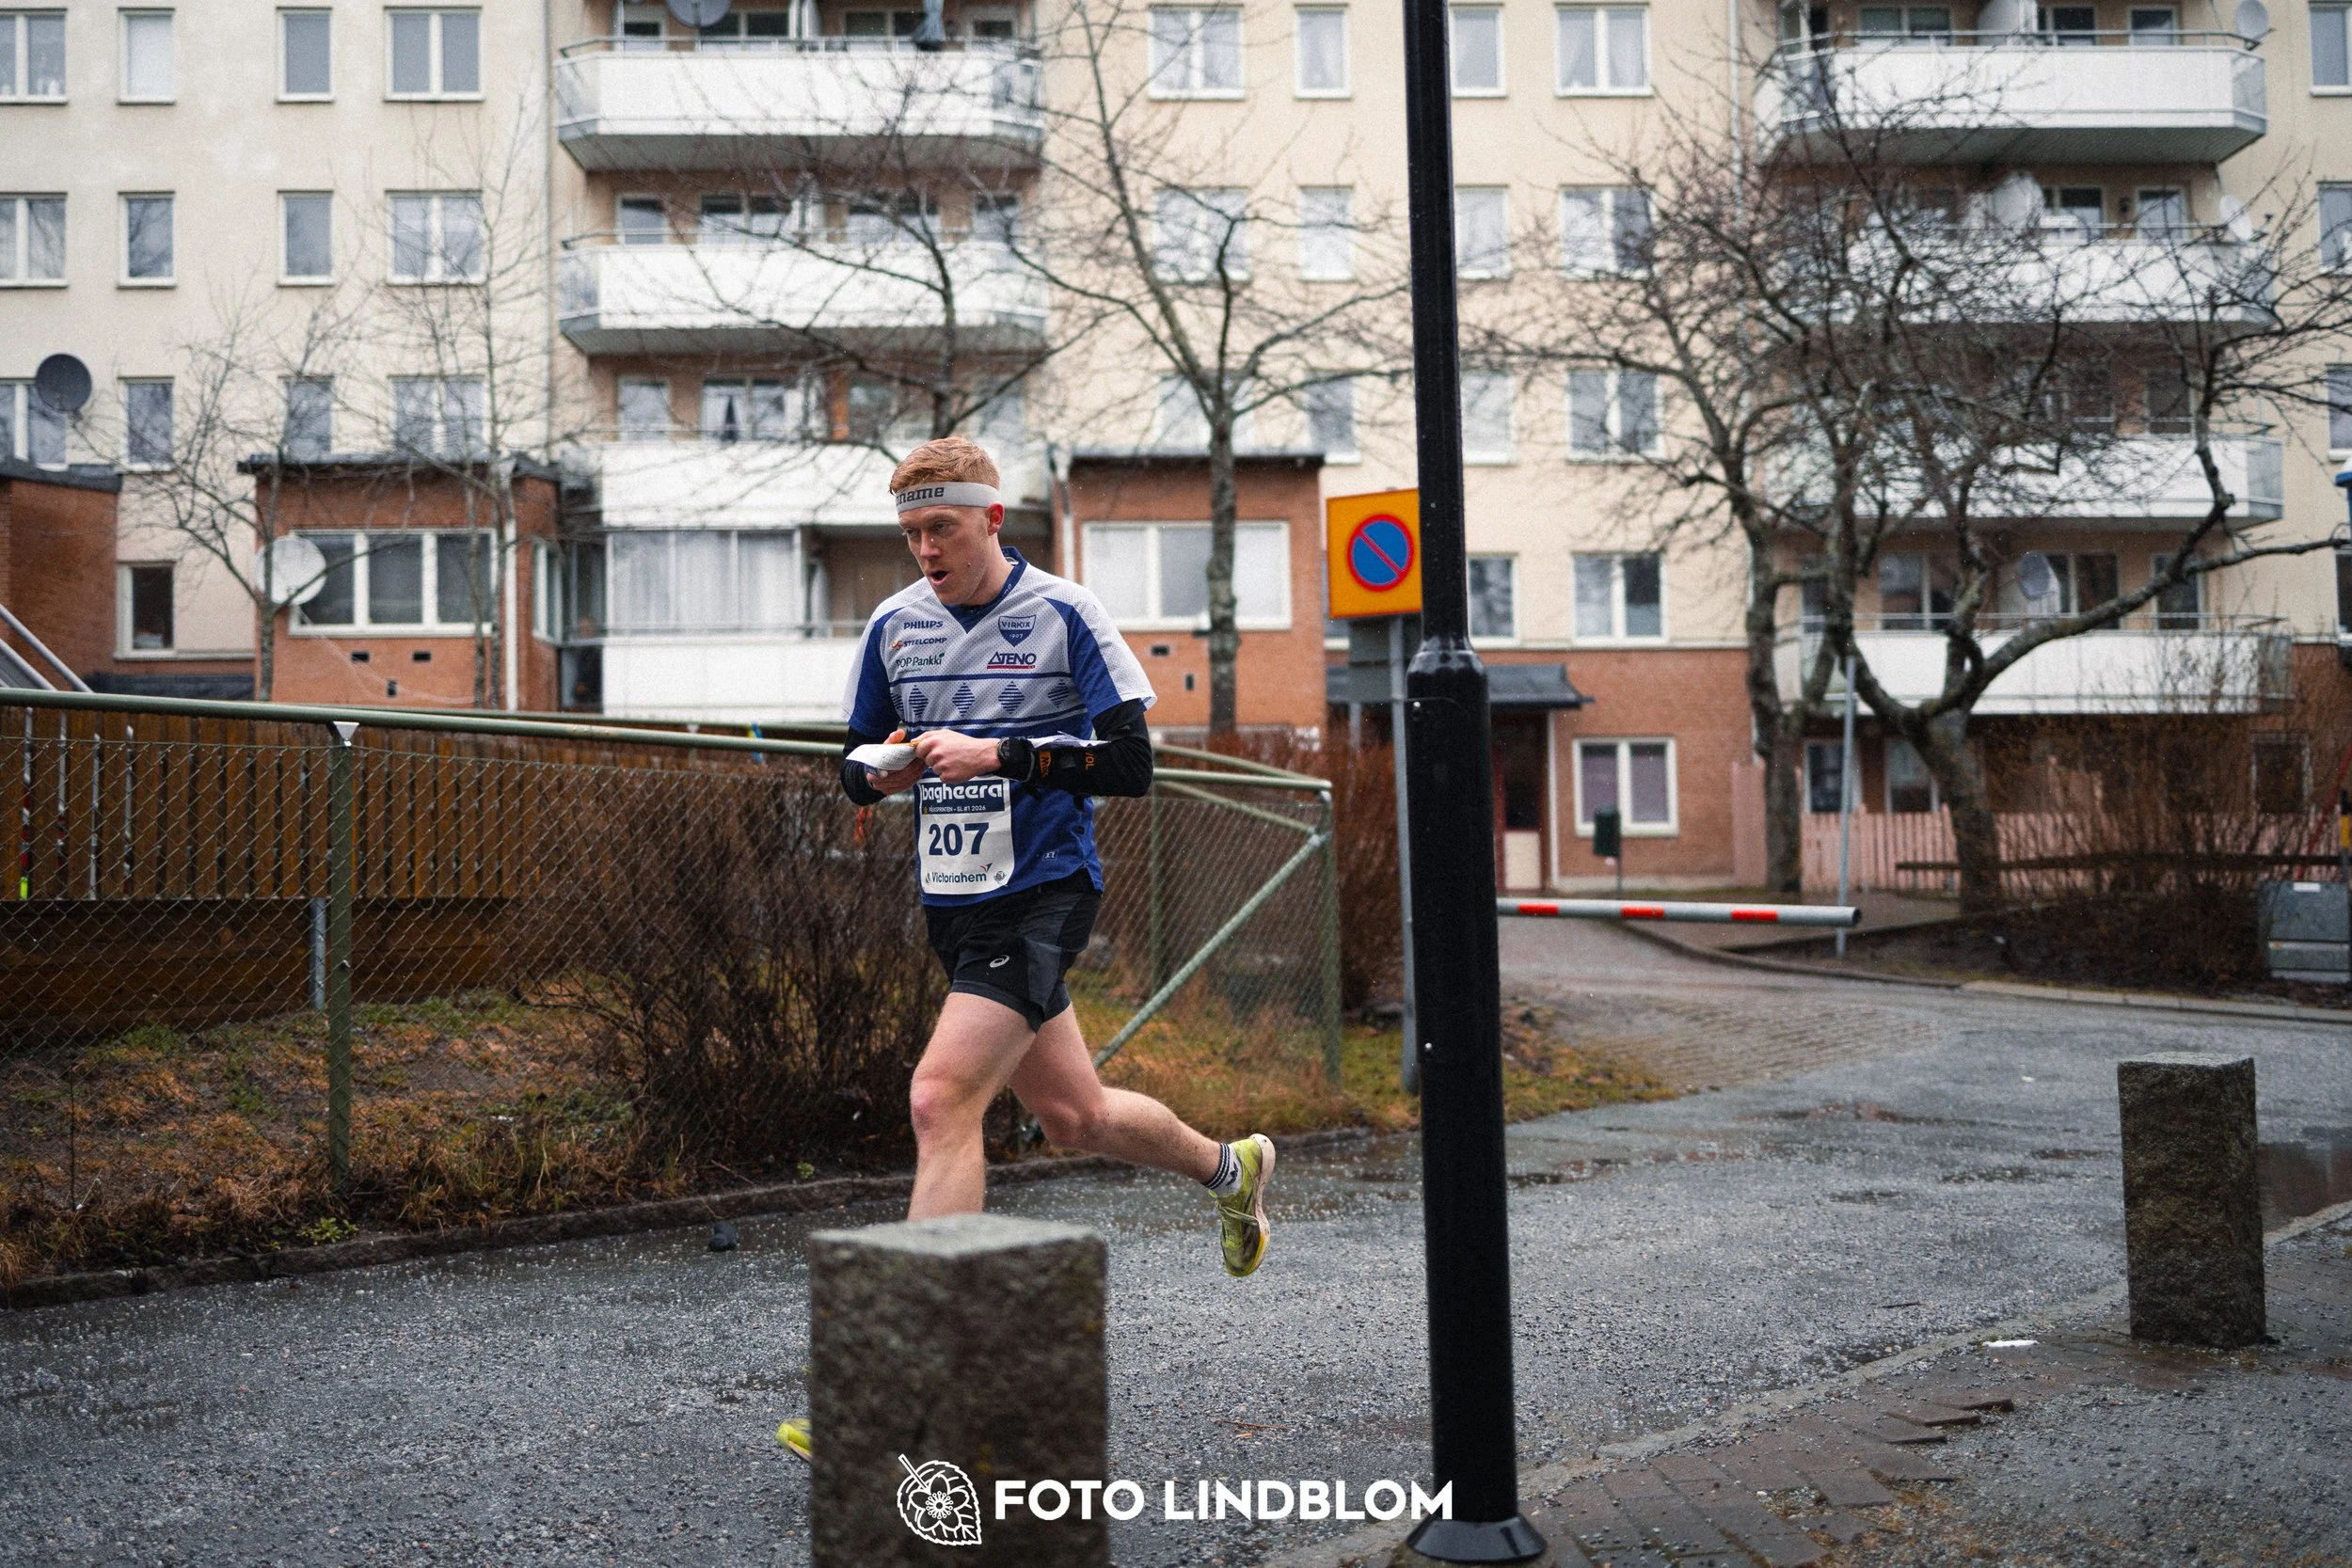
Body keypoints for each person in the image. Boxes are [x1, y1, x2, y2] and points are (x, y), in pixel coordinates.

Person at [778, 436, 1274, 1465]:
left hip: (1045, 892)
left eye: (942, 529)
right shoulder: (894, 625)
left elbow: (1134, 762)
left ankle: (888, 1393)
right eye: (910, 531)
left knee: (938, 1098)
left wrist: (1004, 751)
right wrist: (879, 776)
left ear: (992, 521)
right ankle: (1230, 1169)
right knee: (1073, 1114)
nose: (924, 549)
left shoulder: (1062, 611)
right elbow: (849, 762)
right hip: (953, 900)